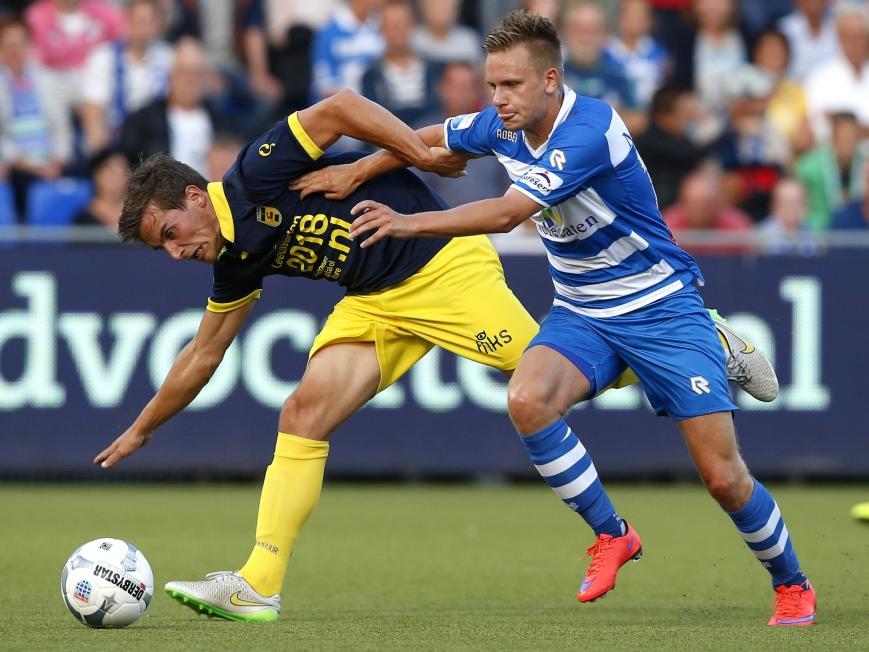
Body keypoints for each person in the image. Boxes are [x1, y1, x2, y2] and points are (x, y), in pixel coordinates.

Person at [94, 88, 776, 623]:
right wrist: (143, 427)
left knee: (550, 383)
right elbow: (203, 354)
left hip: (442, 268)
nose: (178, 251)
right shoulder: (232, 260)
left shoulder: (253, 176)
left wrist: (413, 156)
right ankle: (258, 585)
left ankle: (696, 334)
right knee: (301, 413)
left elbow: (338, 108)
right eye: (165, 249)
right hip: (373, 302)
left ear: (192, 196)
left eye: (173, 233)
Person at [294, 10, 814, 626]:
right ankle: (613, 534)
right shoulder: (505, 123)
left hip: (661, 308)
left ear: (550, 79)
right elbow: (430, 137)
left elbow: (506, 213)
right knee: (528, 399)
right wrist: (360, 166)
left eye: (510, 86)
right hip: (583, 309)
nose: (498, 100)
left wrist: (409, 221)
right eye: (492, 86)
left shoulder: (589, 130)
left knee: (723, 479)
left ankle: (793, 584)